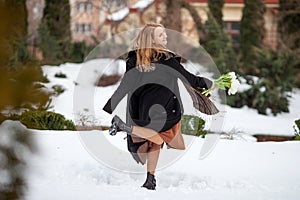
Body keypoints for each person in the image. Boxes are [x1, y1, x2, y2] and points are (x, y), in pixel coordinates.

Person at [103, 23, 215, 190]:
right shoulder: (166, 59)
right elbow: (188, 78)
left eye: (164, 33)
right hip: (164, 107)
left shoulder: (134, 59)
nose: (165, 37)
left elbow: (125, 85)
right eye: (161, 35)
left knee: (155, 142)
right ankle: (124, 127)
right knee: (158, 137)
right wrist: (208, 84)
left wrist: (111, 105)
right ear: (152, 39)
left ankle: (151, 179)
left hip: (141, 108)